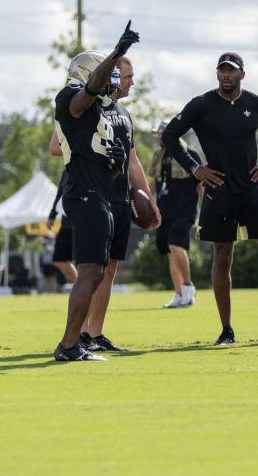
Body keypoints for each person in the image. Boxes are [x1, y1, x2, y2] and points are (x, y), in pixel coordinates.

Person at [162, 52, 258, 345]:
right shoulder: (201, 105)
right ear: (217, 74)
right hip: (219, 190)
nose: (226, 75)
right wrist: (196, 168)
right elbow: (171, 136)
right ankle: (226, 330)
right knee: (223, 256)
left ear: (242, 74)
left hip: (252, 190)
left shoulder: (256, 104)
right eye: (222, 71)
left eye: (232, 71)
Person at [50, 22, 139, 362]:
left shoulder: (105, 112)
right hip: (84, 194)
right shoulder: (70, 99)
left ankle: (77, 342)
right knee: (90, 271)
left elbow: (103, 156)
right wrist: (117, 53)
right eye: (111, 74)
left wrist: (117, 163)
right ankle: (70, 345)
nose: (115, 81)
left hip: (100, 192)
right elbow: (87, 93)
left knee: (98, 270)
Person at [79, 55, 159, 353]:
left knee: (111, 267)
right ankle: (80, 334)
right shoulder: (87, 107)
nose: (131, 82)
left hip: (121, 197)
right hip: (96, 195)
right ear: (111, 77)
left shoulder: (124, 113)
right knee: (93, 269)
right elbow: (57, 146)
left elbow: (134, 160)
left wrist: (148, 198)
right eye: (127, 77)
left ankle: (95, 333)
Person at [151, 122, 203, 309]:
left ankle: (188, 287)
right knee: (170, 251)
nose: (159, 137)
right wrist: (148, 205)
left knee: (176, 245)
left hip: (185, 209)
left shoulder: (191, 155)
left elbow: (201, 184)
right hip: (165, 210)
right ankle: (179, 294)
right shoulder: (159, 156)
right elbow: (153, 183)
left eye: (162, 134)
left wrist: (205, 211)